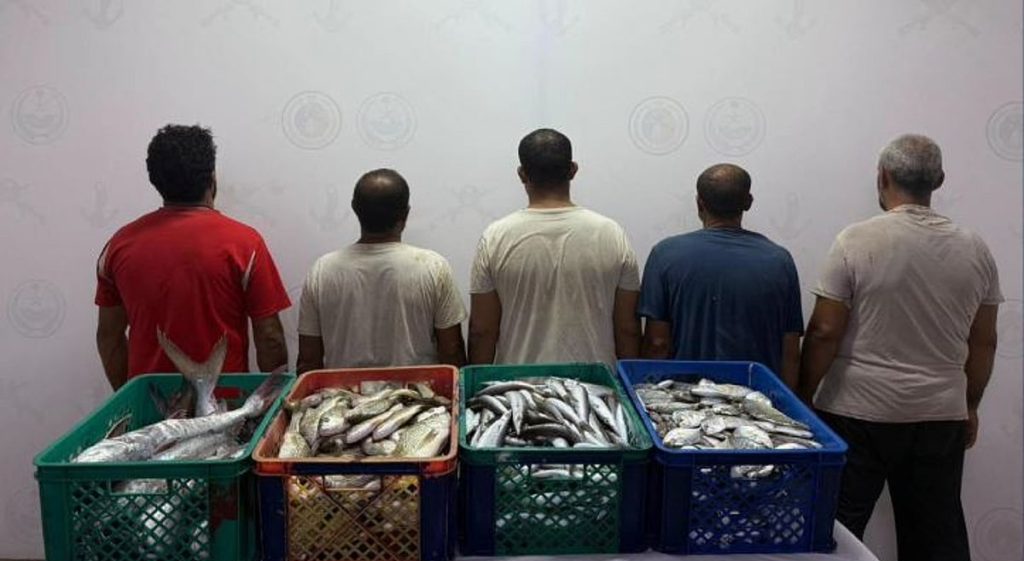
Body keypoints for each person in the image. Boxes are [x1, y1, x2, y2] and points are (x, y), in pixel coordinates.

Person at [799, 134, 1002, 561]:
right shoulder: (975, 249)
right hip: (939, 413)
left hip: (856, 411)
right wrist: (969, 404)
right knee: (939, 537)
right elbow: (984, 341)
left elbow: (825, 331)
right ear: (939, 180)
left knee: (837, 532)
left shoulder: (855, 240)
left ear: (883, 177)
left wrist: (804, 398)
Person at [95, 124, 290, 389]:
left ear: (155, 180)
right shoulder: (246, 244)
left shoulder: (118, 246)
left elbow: (109, 338)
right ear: (212, 177)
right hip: (227, 406)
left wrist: (129, 397)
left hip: (152, 404)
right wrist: (273, 401)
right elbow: (270, 338)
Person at [469, 128, 641, 366]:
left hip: (518, 384)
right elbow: (627, 328)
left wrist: (477, 382)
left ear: (521, 174)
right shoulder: (612, 234)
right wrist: (630, 381)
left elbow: (482, 330)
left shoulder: (495, 237)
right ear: (573, 170)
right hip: (596, 384)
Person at [638, 164, 803, 388]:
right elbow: (790, 351)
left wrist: (646, 392)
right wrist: (788, 402)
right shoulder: (780, 260)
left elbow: (657, 343)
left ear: (699, 203)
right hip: (756, 398)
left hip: (684, 399)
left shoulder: (665, 255)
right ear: (748, 202)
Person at [296, 169, 467, 372]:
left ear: (355, 209)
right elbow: (451, 350)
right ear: (406, 213)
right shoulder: (433, 267)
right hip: (419, 391)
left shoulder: (322, 271)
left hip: (344, 392)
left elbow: (308, 359)